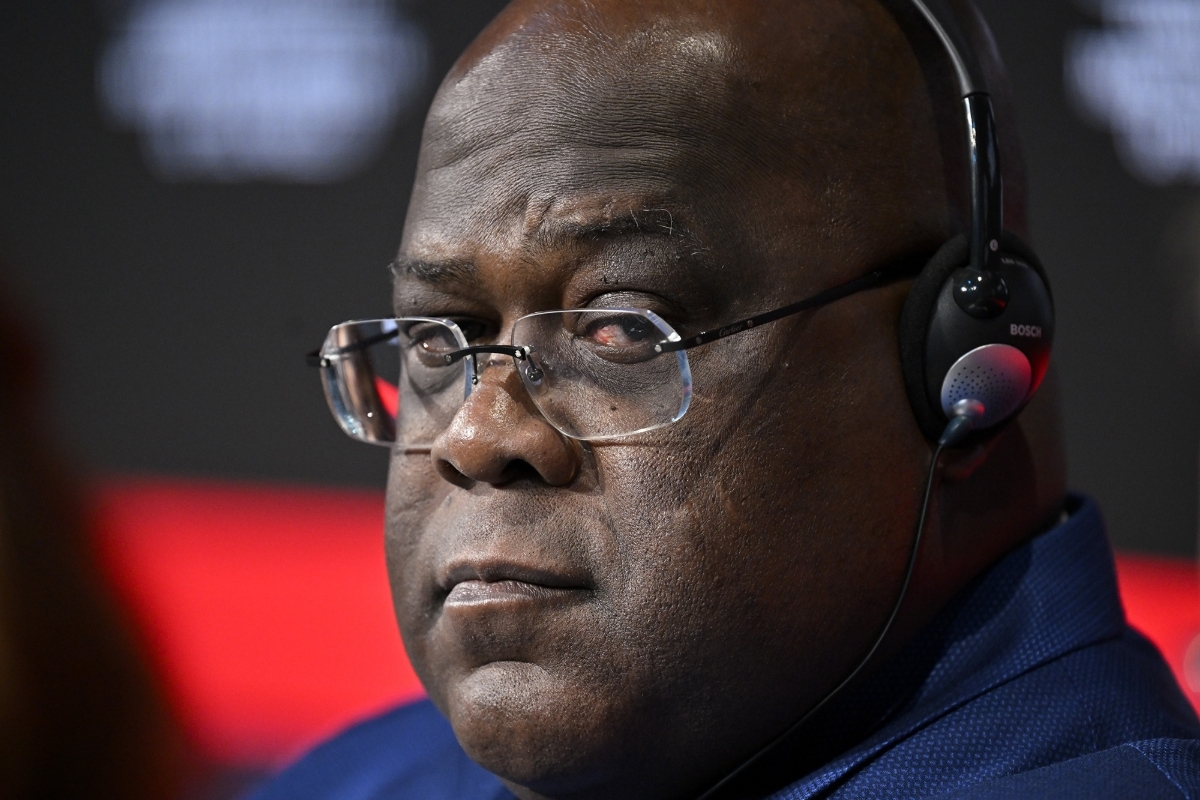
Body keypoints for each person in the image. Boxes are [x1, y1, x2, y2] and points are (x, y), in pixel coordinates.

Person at [257, 0, 1200, 797]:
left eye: (620, 327)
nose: (477, 433)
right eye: (437, 339)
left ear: (965, 367)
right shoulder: (359, 778)